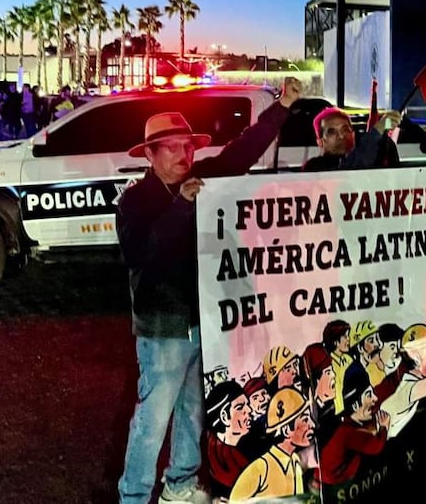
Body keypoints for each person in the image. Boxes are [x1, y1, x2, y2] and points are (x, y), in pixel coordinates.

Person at [115, 79, 301, 504]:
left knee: (193, 412)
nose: (185, 155)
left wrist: (283, 106)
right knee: (152, 418)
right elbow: (142, 255)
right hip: (163, 328)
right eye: (172, 148)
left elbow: (243, 149)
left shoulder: (202, 178)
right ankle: (134, 495)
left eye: (189, 146)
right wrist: (181, 206)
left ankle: (179, 485)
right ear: (149, 154)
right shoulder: (136, 200)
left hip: (204, 320)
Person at [302, 106, 402, 171]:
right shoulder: (313, 167)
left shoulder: (374, 155)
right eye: (332, 132)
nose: (341, 136)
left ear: (353, 135)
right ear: (320, 142)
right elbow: (347, 172)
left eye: (345, 129)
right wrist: (378, 130)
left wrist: (384, 135)